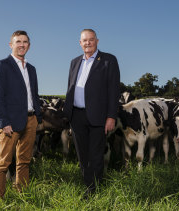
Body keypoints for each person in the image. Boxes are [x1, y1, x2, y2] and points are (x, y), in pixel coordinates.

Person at [63, 29, 120, 197]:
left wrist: (111, 116)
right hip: (77, 115)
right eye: (84, 40)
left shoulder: (108, 60)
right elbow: (70, 87)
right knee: (82, 154)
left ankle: (93, 189)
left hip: (98, 115)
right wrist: (68, 113)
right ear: (80, 43)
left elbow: (113, 91)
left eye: (91, 40)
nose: (88, 43)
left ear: (97, 41)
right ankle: (88, 183)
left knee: (96, 154)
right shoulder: (74, 62)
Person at [0, 30, 42, 199]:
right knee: (4, 162)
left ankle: (22, 194)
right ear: (11, 45)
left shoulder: (32, 69)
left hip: (31, 119)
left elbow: (34, 95)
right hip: (10, 122)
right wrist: (3, 121)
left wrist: (37, 117)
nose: (22, 45)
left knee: (25, 160)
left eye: (25, 42)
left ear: (29, 45)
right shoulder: (2, 65)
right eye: (18, 41)